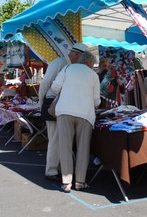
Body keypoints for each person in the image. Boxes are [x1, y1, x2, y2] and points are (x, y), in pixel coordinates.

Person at [51, 50, 101, 192]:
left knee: (65, 146)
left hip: (65, 110)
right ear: (91, 63)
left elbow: (55, 88)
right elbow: (96, 101)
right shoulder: (93, 75)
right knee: (83, 148)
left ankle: (66, 182)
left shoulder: (67, 68)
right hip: (85, 114)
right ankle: (80, 181)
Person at [38, 42, 89, 182]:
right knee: (55, 138)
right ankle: (51, 170)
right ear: (78, 55)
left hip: (64, 104)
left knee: (63, 139)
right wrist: (41, 103)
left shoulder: (71, 65)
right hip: (53, 103)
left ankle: (60, 168)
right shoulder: (60, 62)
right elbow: (46, 83)